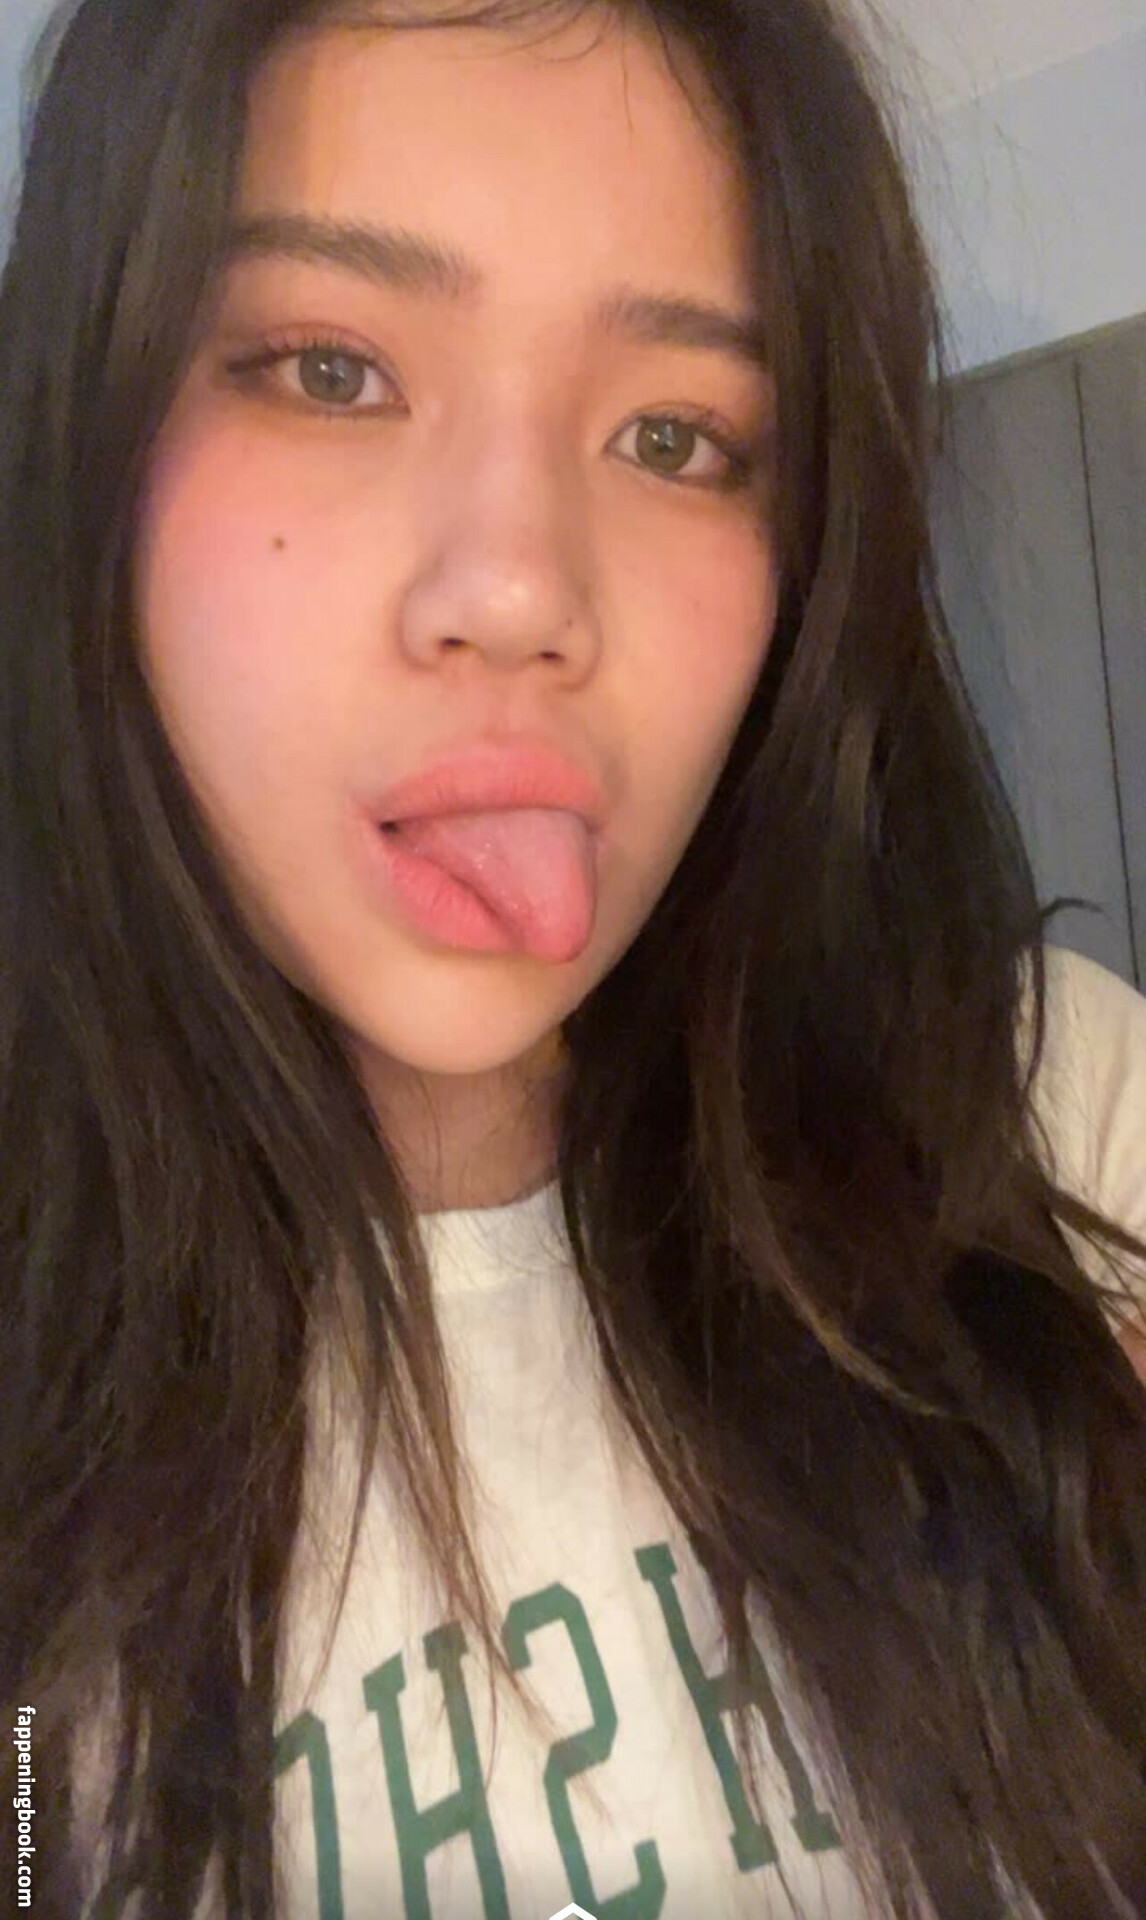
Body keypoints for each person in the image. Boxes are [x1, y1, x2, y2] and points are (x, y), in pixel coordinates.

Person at [1, 0, 1144, 1915]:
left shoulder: (1048, 1125)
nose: (522, 589)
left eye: (673, 436)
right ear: (83, 442)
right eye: (331, 370)